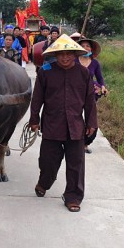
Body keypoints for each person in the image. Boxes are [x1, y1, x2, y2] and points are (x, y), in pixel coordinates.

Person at [28, 34, 97, 213]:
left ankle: (73, 196)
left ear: (74, 54)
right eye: (61, 54)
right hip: (52, 124)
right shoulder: (46, 71)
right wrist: (34, 119)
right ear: (55, 54)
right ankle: (44, 182)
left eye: (68, 54)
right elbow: (37, 99)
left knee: (76, 164)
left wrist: (91, 122)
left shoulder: (83, 73)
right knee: (48, 161)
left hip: (75, 126)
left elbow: (90, 100)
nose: (65, 58)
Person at [78, 37, 108, 154]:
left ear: (91, 49)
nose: (85, 48)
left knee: (91, 117)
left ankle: (86, 143)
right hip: (75, 92)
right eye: (82, 46)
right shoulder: (73, 60)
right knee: (75, 116)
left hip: (91, 92)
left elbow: (100, 78)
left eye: (88, 46)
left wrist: (103, 86)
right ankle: (74, 140)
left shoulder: (95, 63)